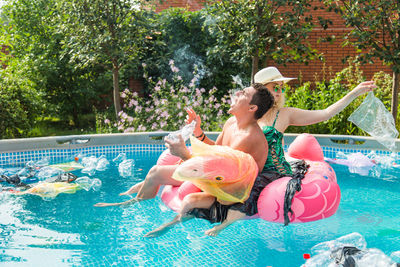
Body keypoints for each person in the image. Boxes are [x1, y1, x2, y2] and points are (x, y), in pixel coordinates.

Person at [94, 83, 275, 236]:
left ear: (252, 108)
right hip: (218, 175)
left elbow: (220, 171)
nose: (237, 93)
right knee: (155, 172)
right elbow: (216, 150)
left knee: (189, 199)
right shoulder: (231, 123)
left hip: (230, 189)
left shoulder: (249, 137)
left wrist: (184, 154)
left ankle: (168, 226)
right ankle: (134, 202)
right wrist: (198, 132)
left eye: (243, 93)